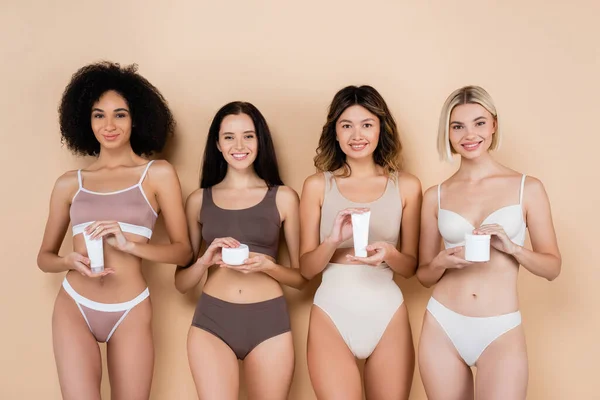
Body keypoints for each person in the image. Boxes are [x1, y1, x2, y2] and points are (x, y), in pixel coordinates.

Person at [37, 61, 192, 400]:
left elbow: (183, 250)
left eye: (120, 114)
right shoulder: (69, 184)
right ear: (85, 121)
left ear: (136, 118)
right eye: (99, 115)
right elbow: (44, 257)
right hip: (74, 304)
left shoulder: (157, 174)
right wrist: (68, 262)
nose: (109, 125)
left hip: (131, 307)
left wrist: (131, 245)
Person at [416, 85, 562, 400]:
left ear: (494, 125)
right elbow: (423, 275)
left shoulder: (528, 188)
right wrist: (441, 261)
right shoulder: (435, 196)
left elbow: (552, 267)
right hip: (442, 324)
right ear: (448, 132)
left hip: (500, 329)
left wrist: (514, 248)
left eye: (479, 122)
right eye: (458, 126)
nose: (470, 134)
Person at [174, 101, 306, 400]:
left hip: (269, 322)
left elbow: (301, 279)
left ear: (260, 141)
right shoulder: (198, 200)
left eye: (248, 135)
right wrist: (204, 261)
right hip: (212, 322)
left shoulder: (284, 198)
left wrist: (268, 266)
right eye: (229, 136)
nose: (239, 145)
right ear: (217, 144)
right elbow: (181, 284)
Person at [299, 85, 421, 399]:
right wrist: (332, 242)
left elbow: (410, 268)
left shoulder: (406, 186)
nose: (357, 134)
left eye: (367, 124)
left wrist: (390, 253)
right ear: (335, 133)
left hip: (386, 309)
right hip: (332, 311)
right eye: (347, 125)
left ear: (381, 129)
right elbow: (306, 268)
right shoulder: (317, 186)